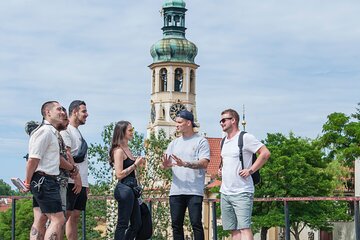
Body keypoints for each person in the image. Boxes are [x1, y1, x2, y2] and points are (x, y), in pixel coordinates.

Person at [218, 109, 270, 240]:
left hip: (242, 191)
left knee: (244, 228)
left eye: (224, 120)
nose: (221, 123)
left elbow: (265, 153)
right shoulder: (223, 141)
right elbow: (225, 161)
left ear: (233, 120)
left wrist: (250, 170)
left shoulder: (245, 137)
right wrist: (221, 170)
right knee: (233, 230)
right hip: (225, 192)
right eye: (220, 120)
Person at [162, 110, 210, 240]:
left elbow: (204, 163)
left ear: (188, 123)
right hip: (176, 191)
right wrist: (165, 165)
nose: (176, 125)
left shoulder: (201, 141)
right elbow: (166, 165)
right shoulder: (174, 143)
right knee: (176, 225)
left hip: (194, 190)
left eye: (179, 122)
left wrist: (185, 163)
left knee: (196, 224)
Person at [24, 101, 67, 240]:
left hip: (43, 180)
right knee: (58, 220)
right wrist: (27, 182)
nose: (62, 112)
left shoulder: (50, 132)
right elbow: (33, 159)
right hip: (45, 181)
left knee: (41, 219)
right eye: (59, 109)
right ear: (48, 112)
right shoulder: (45, 132)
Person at [109, 121, 145, 239]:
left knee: (137, 223)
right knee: (123, 223)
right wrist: (135, 164)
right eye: (130, 130)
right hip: (124, 189)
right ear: (122, 132)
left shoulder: (127, 149)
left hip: (132, 190)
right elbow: (119, 174)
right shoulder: (119, 151)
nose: (132, 132)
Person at [60, 100, 89, 240]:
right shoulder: (66, 130)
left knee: (75, 217)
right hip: (71, 181)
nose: (87, 114)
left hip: (81, 182)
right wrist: (76, 177)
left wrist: (85, 183)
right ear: (74, 112)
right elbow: (67, 154)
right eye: (84, 111)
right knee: (63, 217)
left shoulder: (78, 132)